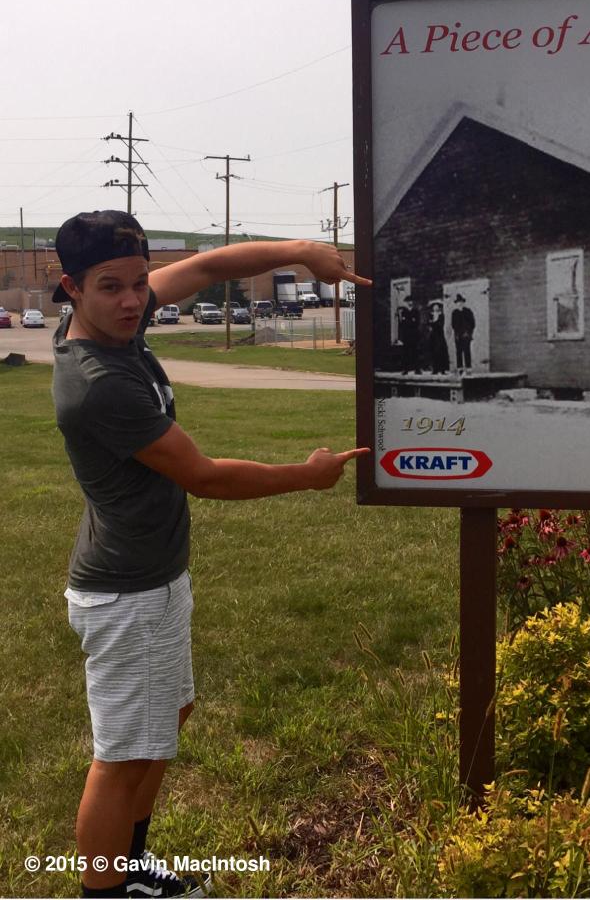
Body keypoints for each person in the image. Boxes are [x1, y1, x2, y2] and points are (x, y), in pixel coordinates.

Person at [51, 211, 371, 899]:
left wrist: (299, 250)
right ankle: (106, 892)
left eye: (139, 283)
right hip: (126, 593)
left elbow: (204, 268)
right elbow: (205, 476)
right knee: (121, 757)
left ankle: (132, 870)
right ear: (71, 288)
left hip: (153, 578)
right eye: (112, 287)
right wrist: (307, 474)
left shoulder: (116, 321)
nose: (134, 299)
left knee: (167, 720)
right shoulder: (100, 383)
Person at [396, 294, 421, 374]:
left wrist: (408, 321)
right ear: (406, 303)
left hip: (414, 335)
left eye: (411, 301)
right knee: (405, 353)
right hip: (406, 335)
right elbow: (402, 324)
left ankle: (417, 369)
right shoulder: (404, 312)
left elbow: (417, 323)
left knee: (415, 352)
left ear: (413, 302)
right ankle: (405, 369)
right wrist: (410, 321)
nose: (410, 303)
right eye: (408, 301)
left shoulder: (416, 311)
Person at [451, 294, 476, 374]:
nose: (460, 304)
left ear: (463, 303)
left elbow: (472, 323)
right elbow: (453, 324)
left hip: (466, 334)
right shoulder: (454, 312)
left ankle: (468, 368)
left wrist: (468, 332)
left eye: (461, 302)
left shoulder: (468, 311)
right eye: (458, 302)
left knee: (467, 351)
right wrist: (457, 333)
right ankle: (460, 368)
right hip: (458, 335)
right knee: (458, 351)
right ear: (456, 303)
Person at [427, 299, 449, 375]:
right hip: (433, 336)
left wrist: (434, 323)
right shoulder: (430, 315)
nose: (435, 308)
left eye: (437, 306)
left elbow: (440, 325)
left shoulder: (441, 315)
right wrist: (432, 324)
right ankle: (435, 369)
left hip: (439, 336)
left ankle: (442, 369)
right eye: (434, 306)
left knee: (441, 351)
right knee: (433, 352)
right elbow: (429, 325)